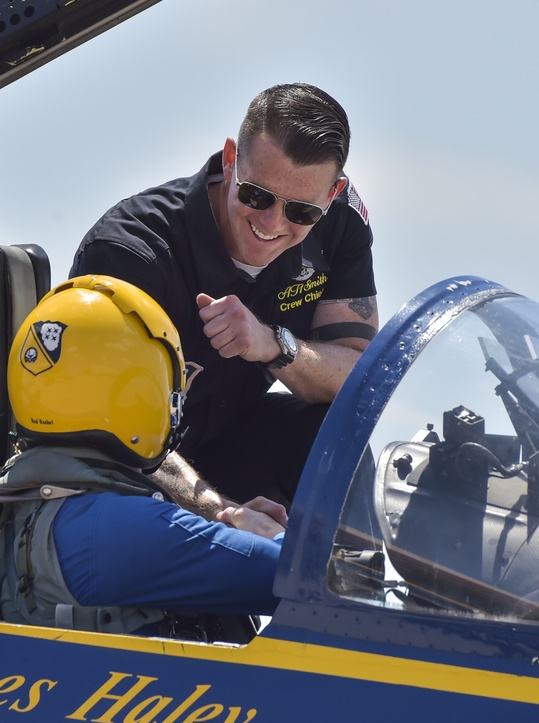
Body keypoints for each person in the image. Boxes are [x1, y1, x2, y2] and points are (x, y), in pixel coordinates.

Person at [69, 83, 378, 514]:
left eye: (301, 212)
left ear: (331, 195)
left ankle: (353, 577)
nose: (272, 223)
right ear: (231, 159)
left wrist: (273, 345)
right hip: (119, 477)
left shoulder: (340, 225)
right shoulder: (132, 252)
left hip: (229, 446)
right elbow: (109, 428)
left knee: (333, 434)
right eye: (257, 195)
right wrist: (222, 514)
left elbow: (358, 383)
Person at [0, 275, 287, 635]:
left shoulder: (43, 502)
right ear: (134, 390)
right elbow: (299, 577)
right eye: (171, 390)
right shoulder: (107, 525)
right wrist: (266, 531)